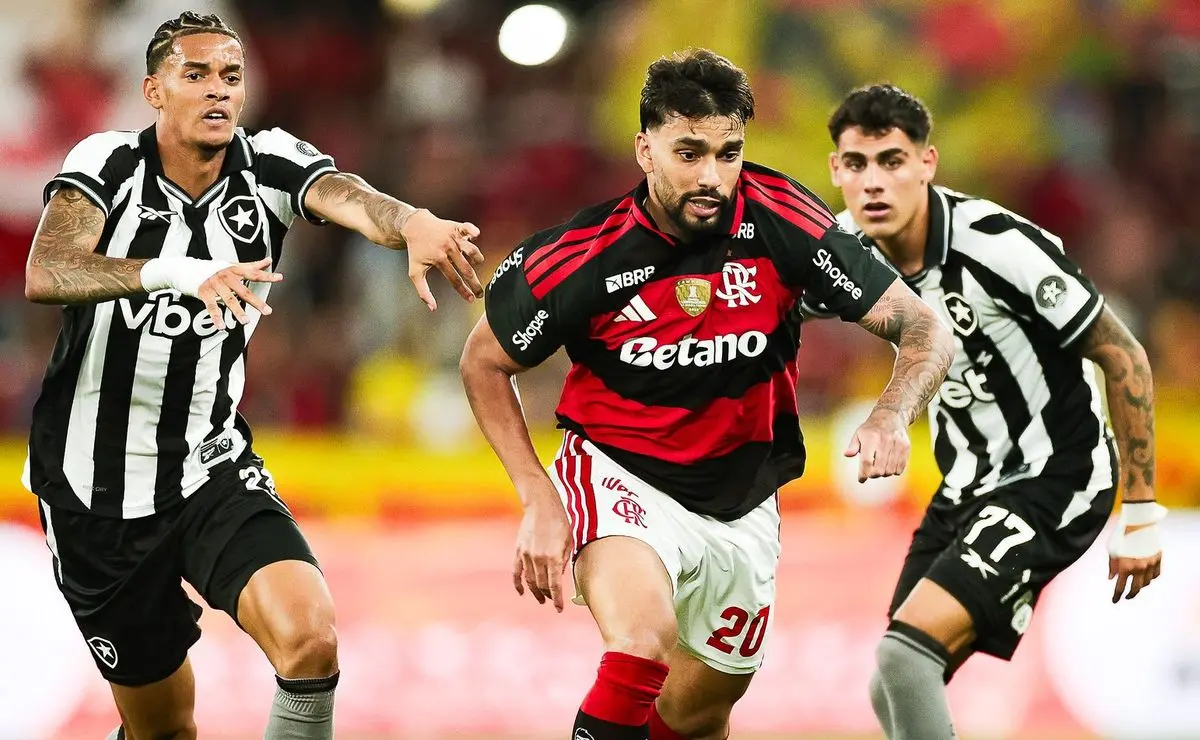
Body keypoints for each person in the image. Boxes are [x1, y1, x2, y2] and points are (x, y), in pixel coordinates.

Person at [460, 51, 954, 740]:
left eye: (728, 153)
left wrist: (892, 411)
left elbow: (924, 325)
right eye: (688, 152)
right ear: (645, 150)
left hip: (743, 499)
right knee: (641, 643)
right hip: (621, 470)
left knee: (696, 715)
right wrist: (537, 494)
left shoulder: (783, 218)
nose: (712, 176)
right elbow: (484, 361)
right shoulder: (583, 255)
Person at [22, 11, 484, 740]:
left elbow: (345, 195)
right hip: (95, 496)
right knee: (165, 729)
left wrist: (412, 221)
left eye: (230, 77)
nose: (218, 91)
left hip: (211, 472)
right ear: (153, 89)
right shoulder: (107, 162)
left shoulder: (266, 162)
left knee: (310, 640)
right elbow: (49, 268)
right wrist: (179, 272)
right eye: (195, 74)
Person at [817, 84, 1164, 739]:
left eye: (892, 161)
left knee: (903, 659)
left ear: (927, 163)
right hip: (966, 485)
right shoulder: (840, 252)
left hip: (1054, 474)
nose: (873, 183)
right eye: (857, 164)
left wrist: (1141, 511)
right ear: (836, 170)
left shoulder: (1000, 246)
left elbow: (1123, 355)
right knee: (891, 681)